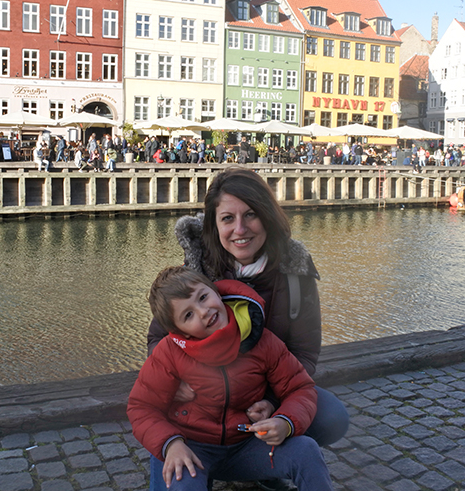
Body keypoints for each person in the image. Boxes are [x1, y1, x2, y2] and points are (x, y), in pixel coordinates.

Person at [146, 167, 349, 491]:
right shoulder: (198, 271)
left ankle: (262, 463)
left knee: (331, 416)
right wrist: (179, 377)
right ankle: (204, 462)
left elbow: (304, 352)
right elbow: (158, 339)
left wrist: (274, 402)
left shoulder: (295, 272)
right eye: (227, 218)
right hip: (202, 411)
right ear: (214, 223)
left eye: (250, 215)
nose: (239, 229)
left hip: (258, 397)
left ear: (267, 216)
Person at [129, 266, 333, 491]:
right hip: (192, 448)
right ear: (181, 331)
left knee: (306, 450)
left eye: (203, 297)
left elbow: (300, 388)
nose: (203, 311)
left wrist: (285, 422)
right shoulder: (168, 353)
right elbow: (142, 407)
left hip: (246, 444)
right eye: (188, 315)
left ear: (216, 292)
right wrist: (171, 444)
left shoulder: (263, 340)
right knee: (181, 481)